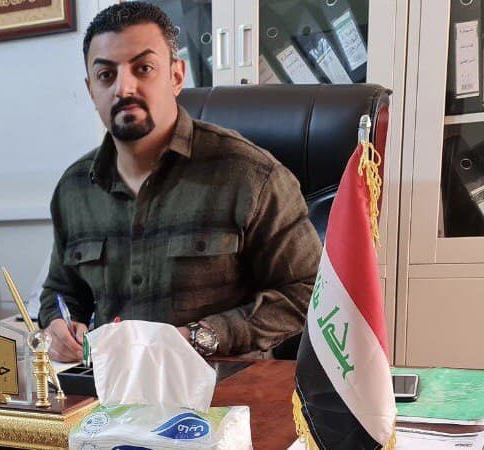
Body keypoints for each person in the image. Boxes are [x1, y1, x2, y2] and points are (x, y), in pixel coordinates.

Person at [38, 1, 322, 362]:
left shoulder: (251, 175)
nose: (124, 88)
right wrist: (59, 324)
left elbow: (310, 293)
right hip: (114, 386)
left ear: (176, 76)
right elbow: (61, 292)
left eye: (143, 69)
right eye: (106, 75)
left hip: (221, 385)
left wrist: (200, 336)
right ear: (91, 90)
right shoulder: (75, 188)